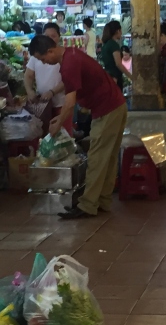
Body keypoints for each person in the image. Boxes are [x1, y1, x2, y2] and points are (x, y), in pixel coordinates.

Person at [29, 35, 128, 218]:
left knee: (97, 158)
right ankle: (103, 200)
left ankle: (88, 205)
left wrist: (58, 123)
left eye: (43, 59)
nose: (44, 63)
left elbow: (69, 103)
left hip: (107, 109)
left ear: (50, 51)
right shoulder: (71, 55)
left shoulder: (69, 64)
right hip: (115, 105)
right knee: (108, 157)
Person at [25, 22, 70, 136]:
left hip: (62, 104)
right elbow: (28, 75)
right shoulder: (36, 56)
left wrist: (52, 92)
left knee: (64, 136)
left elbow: (68, 80)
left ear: (59, 37)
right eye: (46, 36)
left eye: (53, 36)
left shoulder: (64, 55)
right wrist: (30, 91)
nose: (49, 39)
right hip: (42, 106)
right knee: (45, 136)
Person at [98, 20, 126, 93]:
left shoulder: (105, 44)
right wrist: (130, 76)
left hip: (109, 76)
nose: (121, 33)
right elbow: (118, 64)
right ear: (117, 31)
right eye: (121, 30)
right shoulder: (113, 45)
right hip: (115, 77)